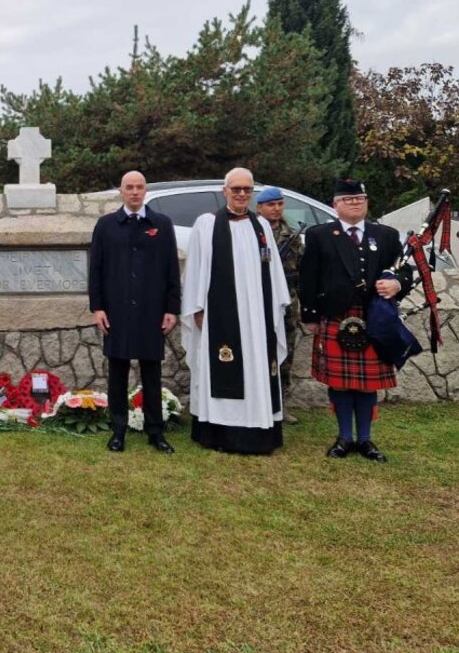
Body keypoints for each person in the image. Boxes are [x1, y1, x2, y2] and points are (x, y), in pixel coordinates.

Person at [298, 178, 411, 462]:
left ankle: (365, 439)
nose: (355, 203)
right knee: (340, 383)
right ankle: (344, 437)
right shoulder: (320, 235)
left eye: (359, 198)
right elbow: (308, 278)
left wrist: (397, 284)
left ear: (366, 202)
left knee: (366, 384)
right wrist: (310, 315)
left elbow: (405, 271)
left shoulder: (384, 235)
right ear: (335, 205)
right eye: (348, 200)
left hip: (374, 318)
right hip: (336, 316)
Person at [181, 167, 291, 455]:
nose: (241, 193)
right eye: (236, 189)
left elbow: (274, 271)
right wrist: (197, 307)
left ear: (252, 193)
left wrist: (275, 309)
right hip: (220, 315)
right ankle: (220, 432)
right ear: (225, 191)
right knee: (223, 366)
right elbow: (195, 270)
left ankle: (256, 430)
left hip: (257, 316)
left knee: (256, 367)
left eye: (247, 189)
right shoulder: (206, 225)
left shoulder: (262, 226)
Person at [89, 171, 181, 454]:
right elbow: (96, 271)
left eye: (139, 187)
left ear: (146, 191)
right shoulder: (105, 226)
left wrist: (171, 308)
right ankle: (118, 431)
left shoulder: (162, 225)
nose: (134, 192)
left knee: (151, 373)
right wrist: (98, 307)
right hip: (116, 310)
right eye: (129, 187)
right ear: (121, 191)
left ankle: (156, 433)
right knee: (117, 373)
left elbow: (171, 271)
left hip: (151, 311)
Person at [255, 186, 302, 425]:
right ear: (259, 207)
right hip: (258, 299)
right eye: (270, 205)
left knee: (286, 355)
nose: (276, 209)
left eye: (279, 204)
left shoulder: (292, 233)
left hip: (288, 300)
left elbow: (301, 269)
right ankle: (257, 402)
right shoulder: (252, 231)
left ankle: (281, 404)